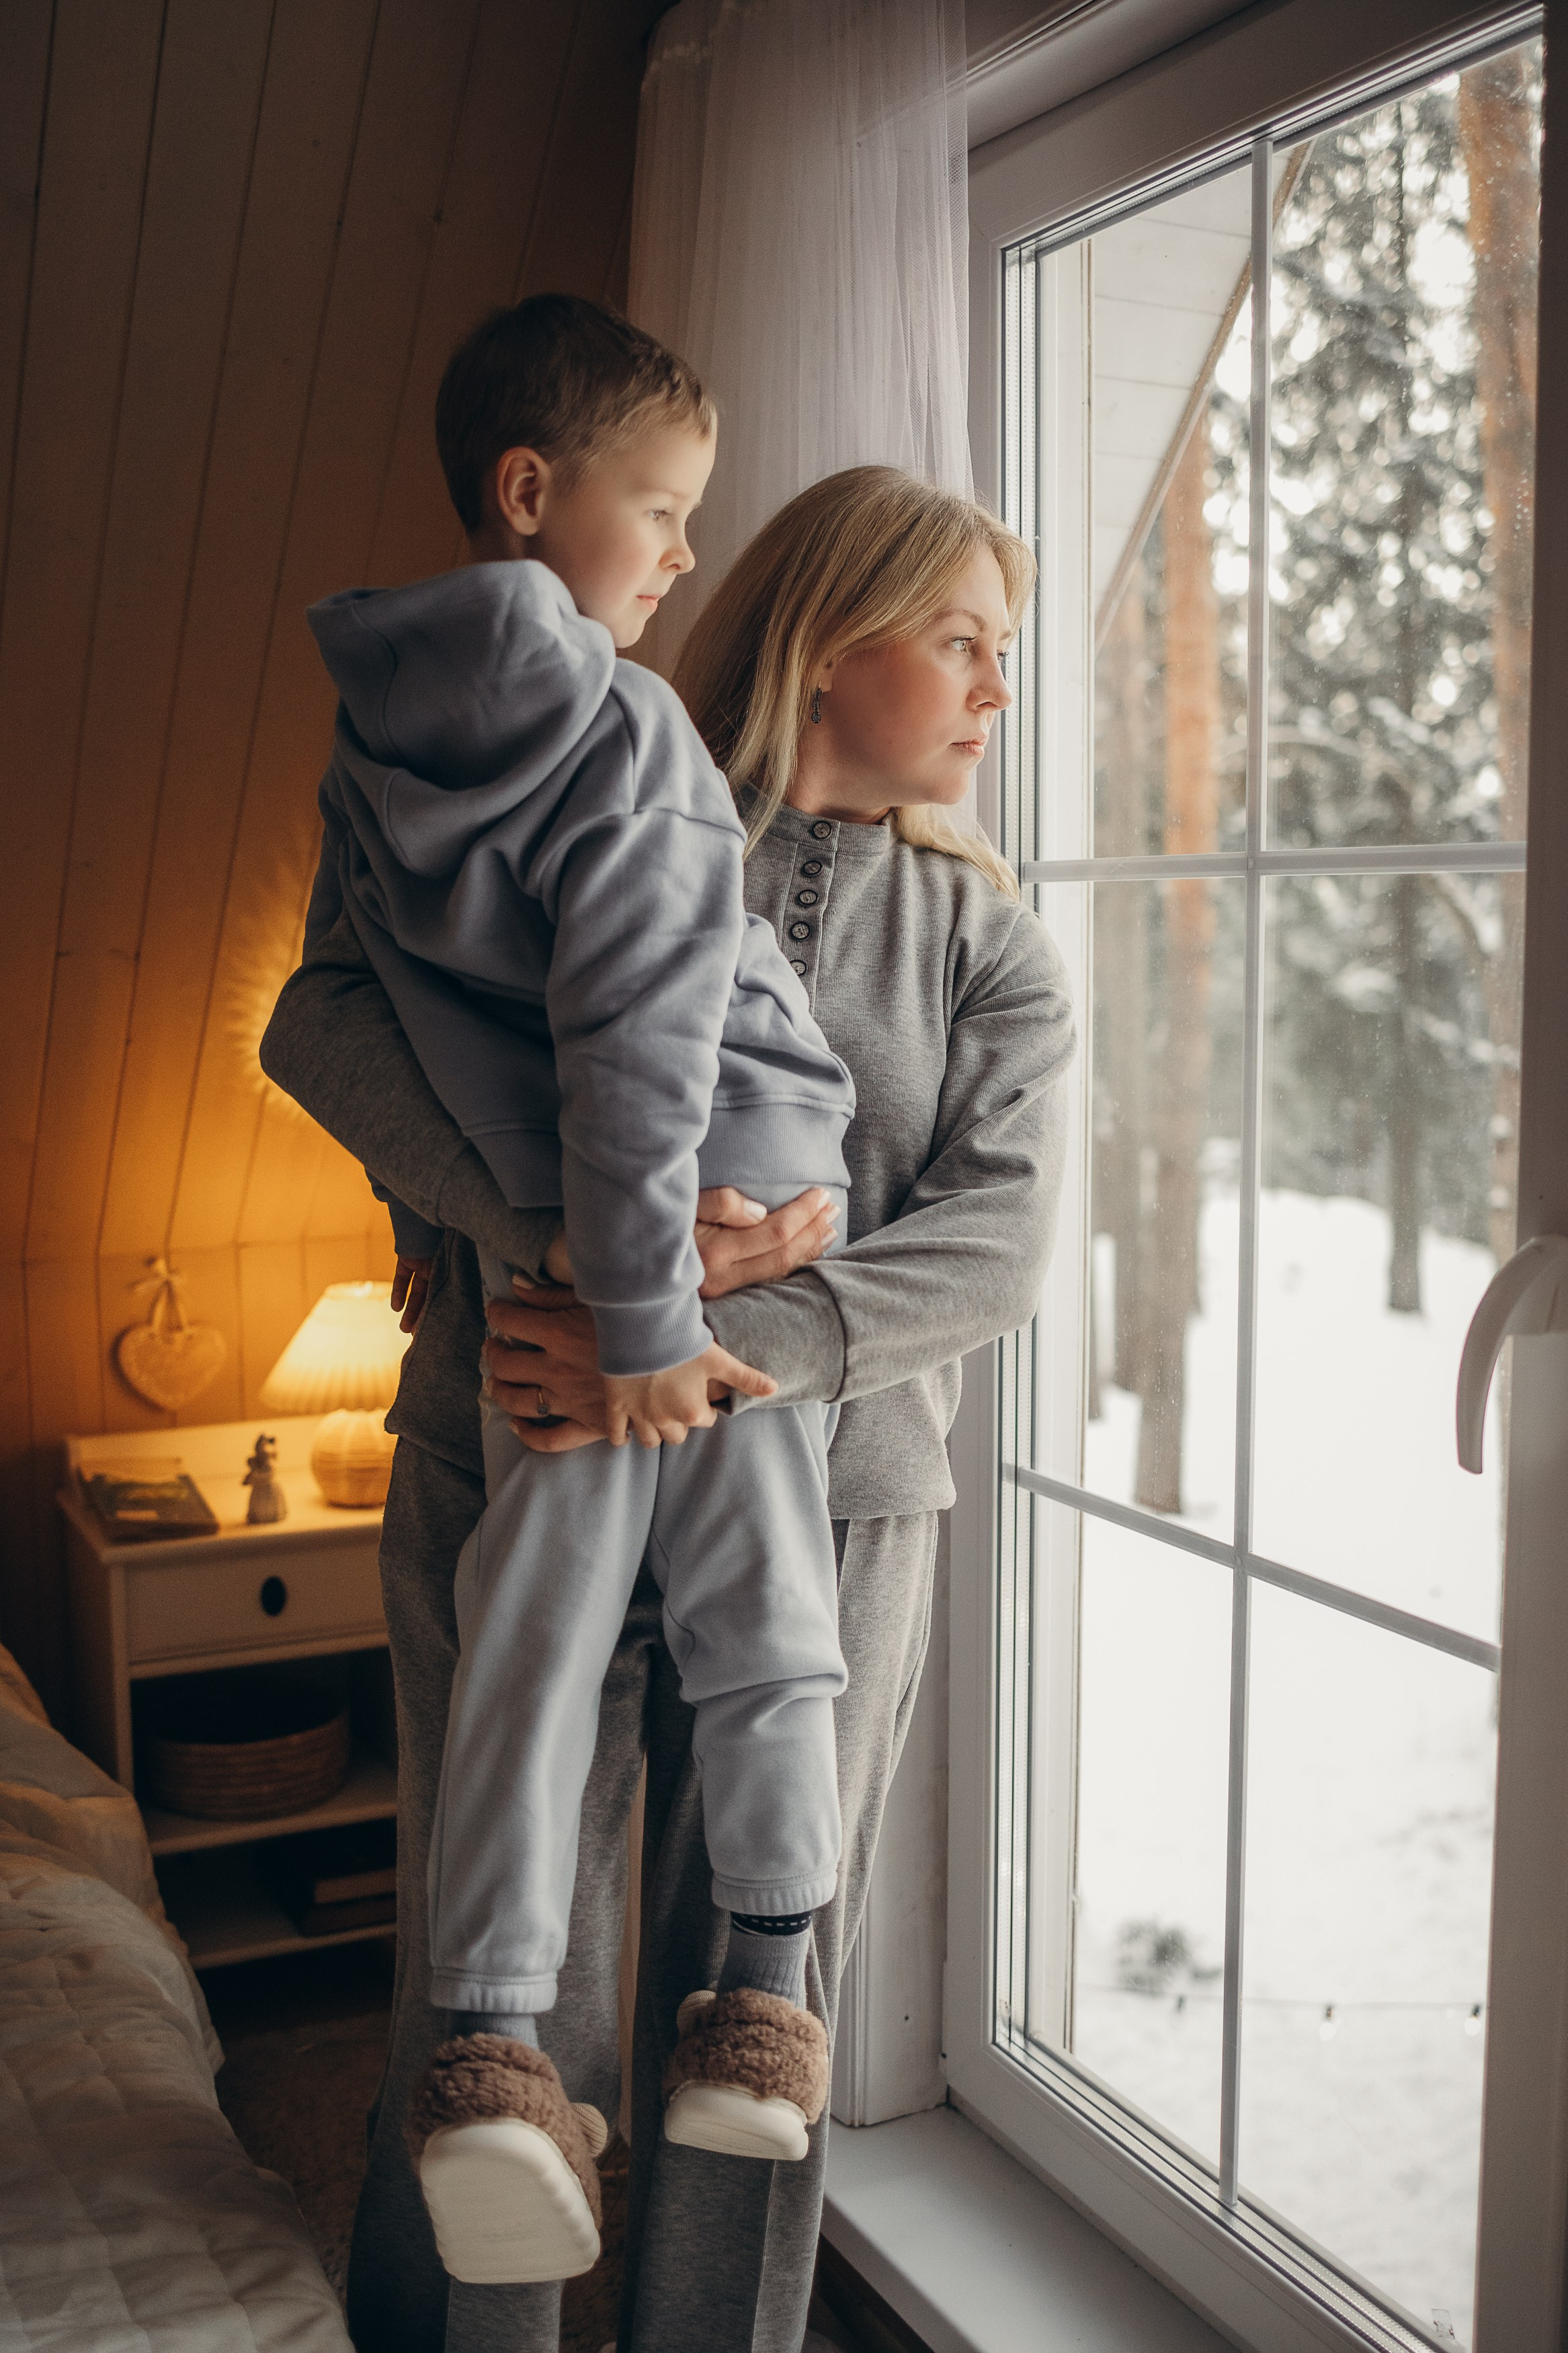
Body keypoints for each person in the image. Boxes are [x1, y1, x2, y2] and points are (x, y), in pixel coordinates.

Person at [261, 462, 1075, 2353]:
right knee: (489, 1976)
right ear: (825, 624)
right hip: (514, 1433)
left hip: (840, 1499)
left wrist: (726, 1336)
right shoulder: (544, 759)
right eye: (963, 638)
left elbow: (999, 1248)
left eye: (1004, 655)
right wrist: (565, 1247)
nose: (992, 692)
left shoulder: (989, 946)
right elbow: (321, 1015)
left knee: (754, 2008)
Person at [301, 292, 867, 2285]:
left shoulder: (378, 739)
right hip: (658, 1274)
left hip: (588, 1266)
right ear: (533, 494)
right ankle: (762, 2005)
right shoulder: (623, 727)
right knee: (773, 1630)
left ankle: (487, 2057)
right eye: (666, 510)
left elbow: (393, 1020)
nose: (687, 555)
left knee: (527, 1665)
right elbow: (640, 1031)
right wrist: (639, 1313)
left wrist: (552, 1241)